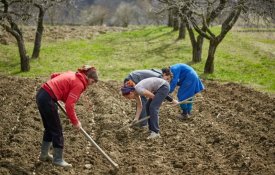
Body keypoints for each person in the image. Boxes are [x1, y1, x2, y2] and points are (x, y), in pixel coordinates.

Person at [36, 65, 98, 167]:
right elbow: (69, 105)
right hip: (47, 99)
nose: (90, 85)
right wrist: (75, 122)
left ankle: (44, 155)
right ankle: (58, 159)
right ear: (87, 77)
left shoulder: (72, 74)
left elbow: (53, 76)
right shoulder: (79, 84)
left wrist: (56, 90)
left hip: (42, 94)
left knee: (49, 128)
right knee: (57, 130)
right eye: (92, 82)